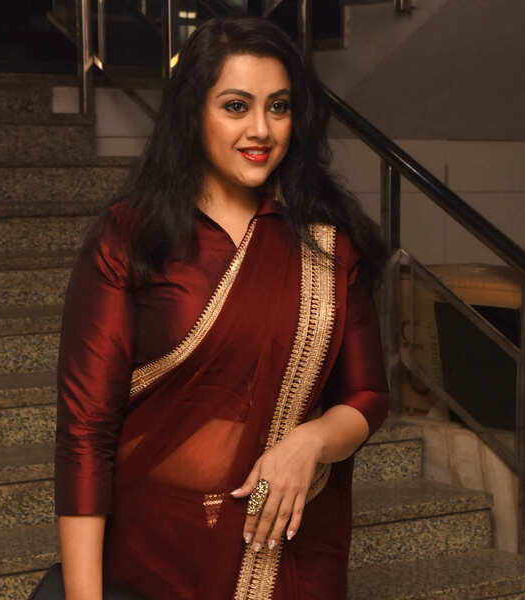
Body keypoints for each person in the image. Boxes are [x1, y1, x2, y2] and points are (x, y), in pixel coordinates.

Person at [54, 16, 390, 600]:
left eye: (279, 107)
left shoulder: (326, 243)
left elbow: (367, 395)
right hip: (155, 555)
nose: (261, 129)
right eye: (236, 106)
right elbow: (86, 431)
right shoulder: (133, 237)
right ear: (194, 113)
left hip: (286, 555)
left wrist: (310, 442)